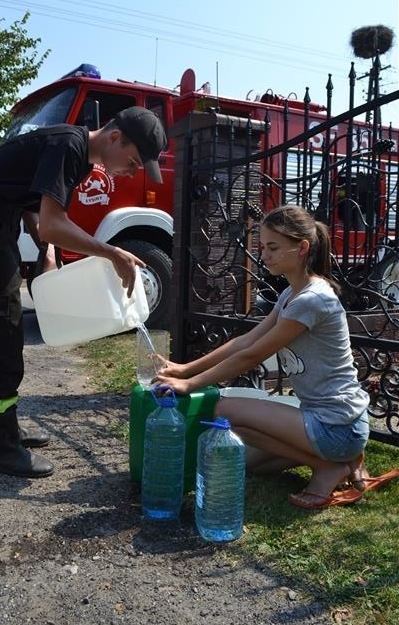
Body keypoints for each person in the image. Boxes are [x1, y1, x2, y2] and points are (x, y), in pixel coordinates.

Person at [0, 106, 167, 479]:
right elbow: (52, 223)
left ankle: (3, 429)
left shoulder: (75, 154)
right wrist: (112, 252)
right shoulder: (68, 147)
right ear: (115, 137)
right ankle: (0, 444)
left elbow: (34, 209)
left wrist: (47, 253)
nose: (131, 172)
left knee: (5, 327)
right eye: (131, 162)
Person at [157, 204, 370, 510]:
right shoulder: (290, 294)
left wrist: (190, 385)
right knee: (250, 458)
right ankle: (342, 461)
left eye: (273, 247)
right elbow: (246, 340)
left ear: (302, 248)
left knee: (222, 410)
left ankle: (330, 467)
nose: (264, 255)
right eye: (262, 247)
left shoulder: (312, 300)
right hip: (323, 420)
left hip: (338, 425)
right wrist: (184, 369)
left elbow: (252, 355)